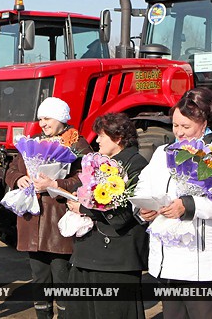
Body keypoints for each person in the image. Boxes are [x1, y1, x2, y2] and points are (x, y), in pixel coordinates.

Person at [135, 88, 212, 319]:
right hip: (168, 258)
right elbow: (144, 184)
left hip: (202, 261)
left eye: (185, 127)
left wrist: (188, 206)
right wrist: (143, 208)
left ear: (204, 122)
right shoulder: (162, 153)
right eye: (175, 126)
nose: (179, 132)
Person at [5, 97, 92, 319]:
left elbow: (85, 178)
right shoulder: (32, 142)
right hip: (32, 218)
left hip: (58, 217)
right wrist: (19, 179)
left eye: (47, 118)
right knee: (39, 275)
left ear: (61, 119)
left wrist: (56, 184)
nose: (42, 123)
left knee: (61, 273)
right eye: (40, 119)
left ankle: (65, 315)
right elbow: (11, 168)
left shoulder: (77, 144)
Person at [65, 113, 149, 319]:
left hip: (115, 256)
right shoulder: (103, 162)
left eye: (102, 135)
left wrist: (83, 208)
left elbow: (124, 213)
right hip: (90, 253)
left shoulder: (134, 164)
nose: (96, 140)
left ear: (118, 137)